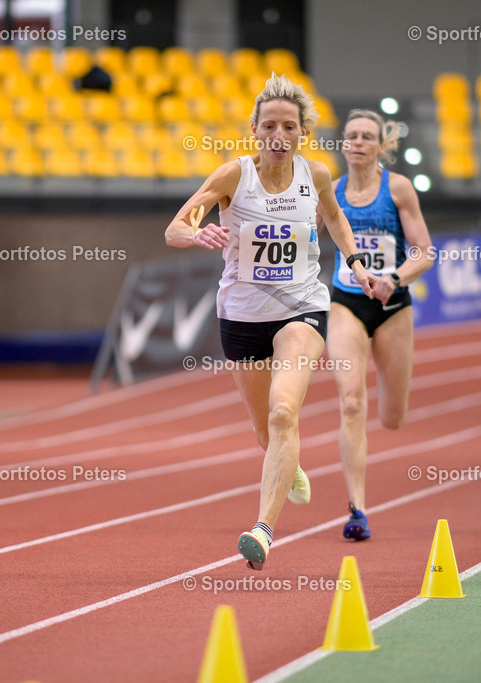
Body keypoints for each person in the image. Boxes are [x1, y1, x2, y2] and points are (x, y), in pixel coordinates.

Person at [165, 73, 388, 570]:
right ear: (255, 130)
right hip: (242, 315)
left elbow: (334, 218)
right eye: (270, 126)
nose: (279, 135)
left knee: (284, 413)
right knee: (264, 429)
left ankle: (263, 530)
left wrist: (355, 263)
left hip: (302, 308)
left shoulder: (318, 175)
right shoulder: (232, 176)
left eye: (290, 126)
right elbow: (175, 227)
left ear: (302, 133)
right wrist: (195, 235)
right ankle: (287, 465)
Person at [323, 110, 434, 540]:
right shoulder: (330, 192)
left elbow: (424, 251)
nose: (357, 142)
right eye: (351, 136)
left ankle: (361, 499)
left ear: (379, 145)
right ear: (343, 144)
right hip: (346, 302)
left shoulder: (398, 188)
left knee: (391, 418)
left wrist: (394, 279)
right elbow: (304, 239)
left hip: (393, 307)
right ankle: (357, 510)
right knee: (351, 401)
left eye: (367, 136)